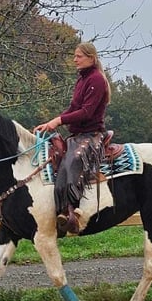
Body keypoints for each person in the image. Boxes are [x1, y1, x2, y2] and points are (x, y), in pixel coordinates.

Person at [34, 42, 111, 235]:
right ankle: (59, 210)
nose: (75, 59)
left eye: (79, 56)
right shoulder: (82, 80)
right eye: (75, 56)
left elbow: (86, 112)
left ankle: (72, 213)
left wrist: (58, 120)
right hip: (78, 134)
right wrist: (52, 122)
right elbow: (73, 108)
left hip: (92, 135)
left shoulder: (97, 80)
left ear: (91, 58)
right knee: (58, 159)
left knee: (72, 162)